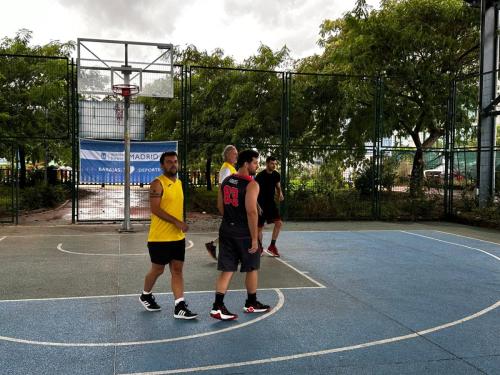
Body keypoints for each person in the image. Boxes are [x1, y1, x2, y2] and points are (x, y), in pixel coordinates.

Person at [210, 149, 270, 321]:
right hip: (243, 233)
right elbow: (252, 212)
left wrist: (231, 217)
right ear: (246, 163)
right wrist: (254, 239)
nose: (257, 166)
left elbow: (220, 206)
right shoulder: (252, 184)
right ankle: (251, 303)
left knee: (227, 269)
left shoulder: (227, 180)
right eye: (255, 162)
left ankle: (217, 306)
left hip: (226, 229)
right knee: (252, 267)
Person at [139, 151, 198, 320]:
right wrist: (177, 222)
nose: (173, 164)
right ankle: (145, 294)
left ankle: (179, 306)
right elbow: (155, 209)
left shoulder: (179, 183)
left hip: (177, 237)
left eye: (175, 161)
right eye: (169, 162)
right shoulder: (157, 184)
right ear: (162, 165)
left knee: (177, 271)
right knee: (158, 270)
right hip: (159, 237)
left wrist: (179, 224)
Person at [205, 145, 238, 261]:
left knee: (230, 228)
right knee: (232, 228)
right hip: (228, 204)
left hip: (232, 203)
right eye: (234, 154)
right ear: (228, 154)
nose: (236, 156)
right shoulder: (226, 168)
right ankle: (229, 254)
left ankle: (213, 245)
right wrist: (222, 204)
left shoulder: (231, 168)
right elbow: (221, 187)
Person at [256, 156, 284, 257]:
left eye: (275, 164)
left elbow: (278, 185)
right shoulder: (260, 176)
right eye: (272, 163)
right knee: (259, 228)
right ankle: (259, 248)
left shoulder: (276, 174)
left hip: (271, 204)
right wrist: (257, 206)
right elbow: (254, 192)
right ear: (267, 163)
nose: (274, 165)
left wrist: (280, 193)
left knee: (279, 223)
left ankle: (272, 246)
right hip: (261, 204)